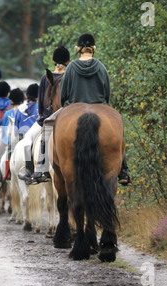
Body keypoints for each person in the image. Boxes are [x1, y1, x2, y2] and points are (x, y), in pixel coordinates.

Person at [59, 33, 131, 186]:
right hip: (100, 104)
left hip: (73, 105)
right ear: (93, 48)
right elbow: (107, 93)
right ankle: (123, 168)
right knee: (118, 128)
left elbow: (63, 95)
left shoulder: (71, 67)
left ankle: (42, 166)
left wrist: (67, 105)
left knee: (48, 127)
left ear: (78, 49)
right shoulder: (100, 66)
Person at [20, 47, 71, 185]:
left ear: (53, 61)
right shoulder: (70, 76)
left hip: (47, 118)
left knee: (27, 139)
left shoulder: (45, 78)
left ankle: (31, 172)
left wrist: (41, 115)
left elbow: (41, 102)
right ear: (68, 61)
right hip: (68, 117)